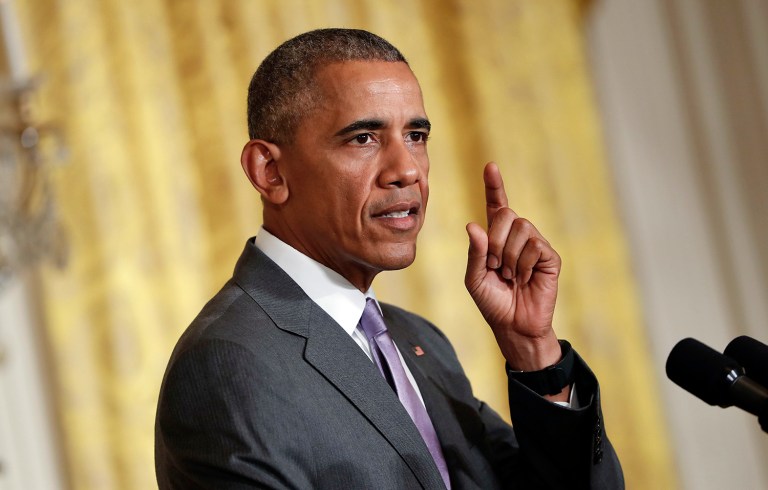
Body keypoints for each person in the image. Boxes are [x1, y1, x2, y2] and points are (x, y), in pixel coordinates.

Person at [155, 28, 623, 489]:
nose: (406, 170)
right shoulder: (227, 363)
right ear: (270, 172)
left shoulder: (419, 342)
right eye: (363, 138)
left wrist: (534, 352)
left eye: (416, 135)